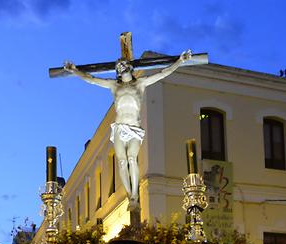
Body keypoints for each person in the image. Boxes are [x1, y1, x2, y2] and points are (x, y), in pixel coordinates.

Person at [63, 50, 192, 212]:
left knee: (132, 158)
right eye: (118, 66)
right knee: (122, 162)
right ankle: (131, 196)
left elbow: (162, 73)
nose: (120, 67)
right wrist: (74, 70)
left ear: (130, 67)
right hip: (119, 127)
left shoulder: (140, 83)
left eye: (123, 64)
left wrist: (180, 61)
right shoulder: (114, 86)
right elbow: (92, 80)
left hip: (134, 128)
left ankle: (135, 196)